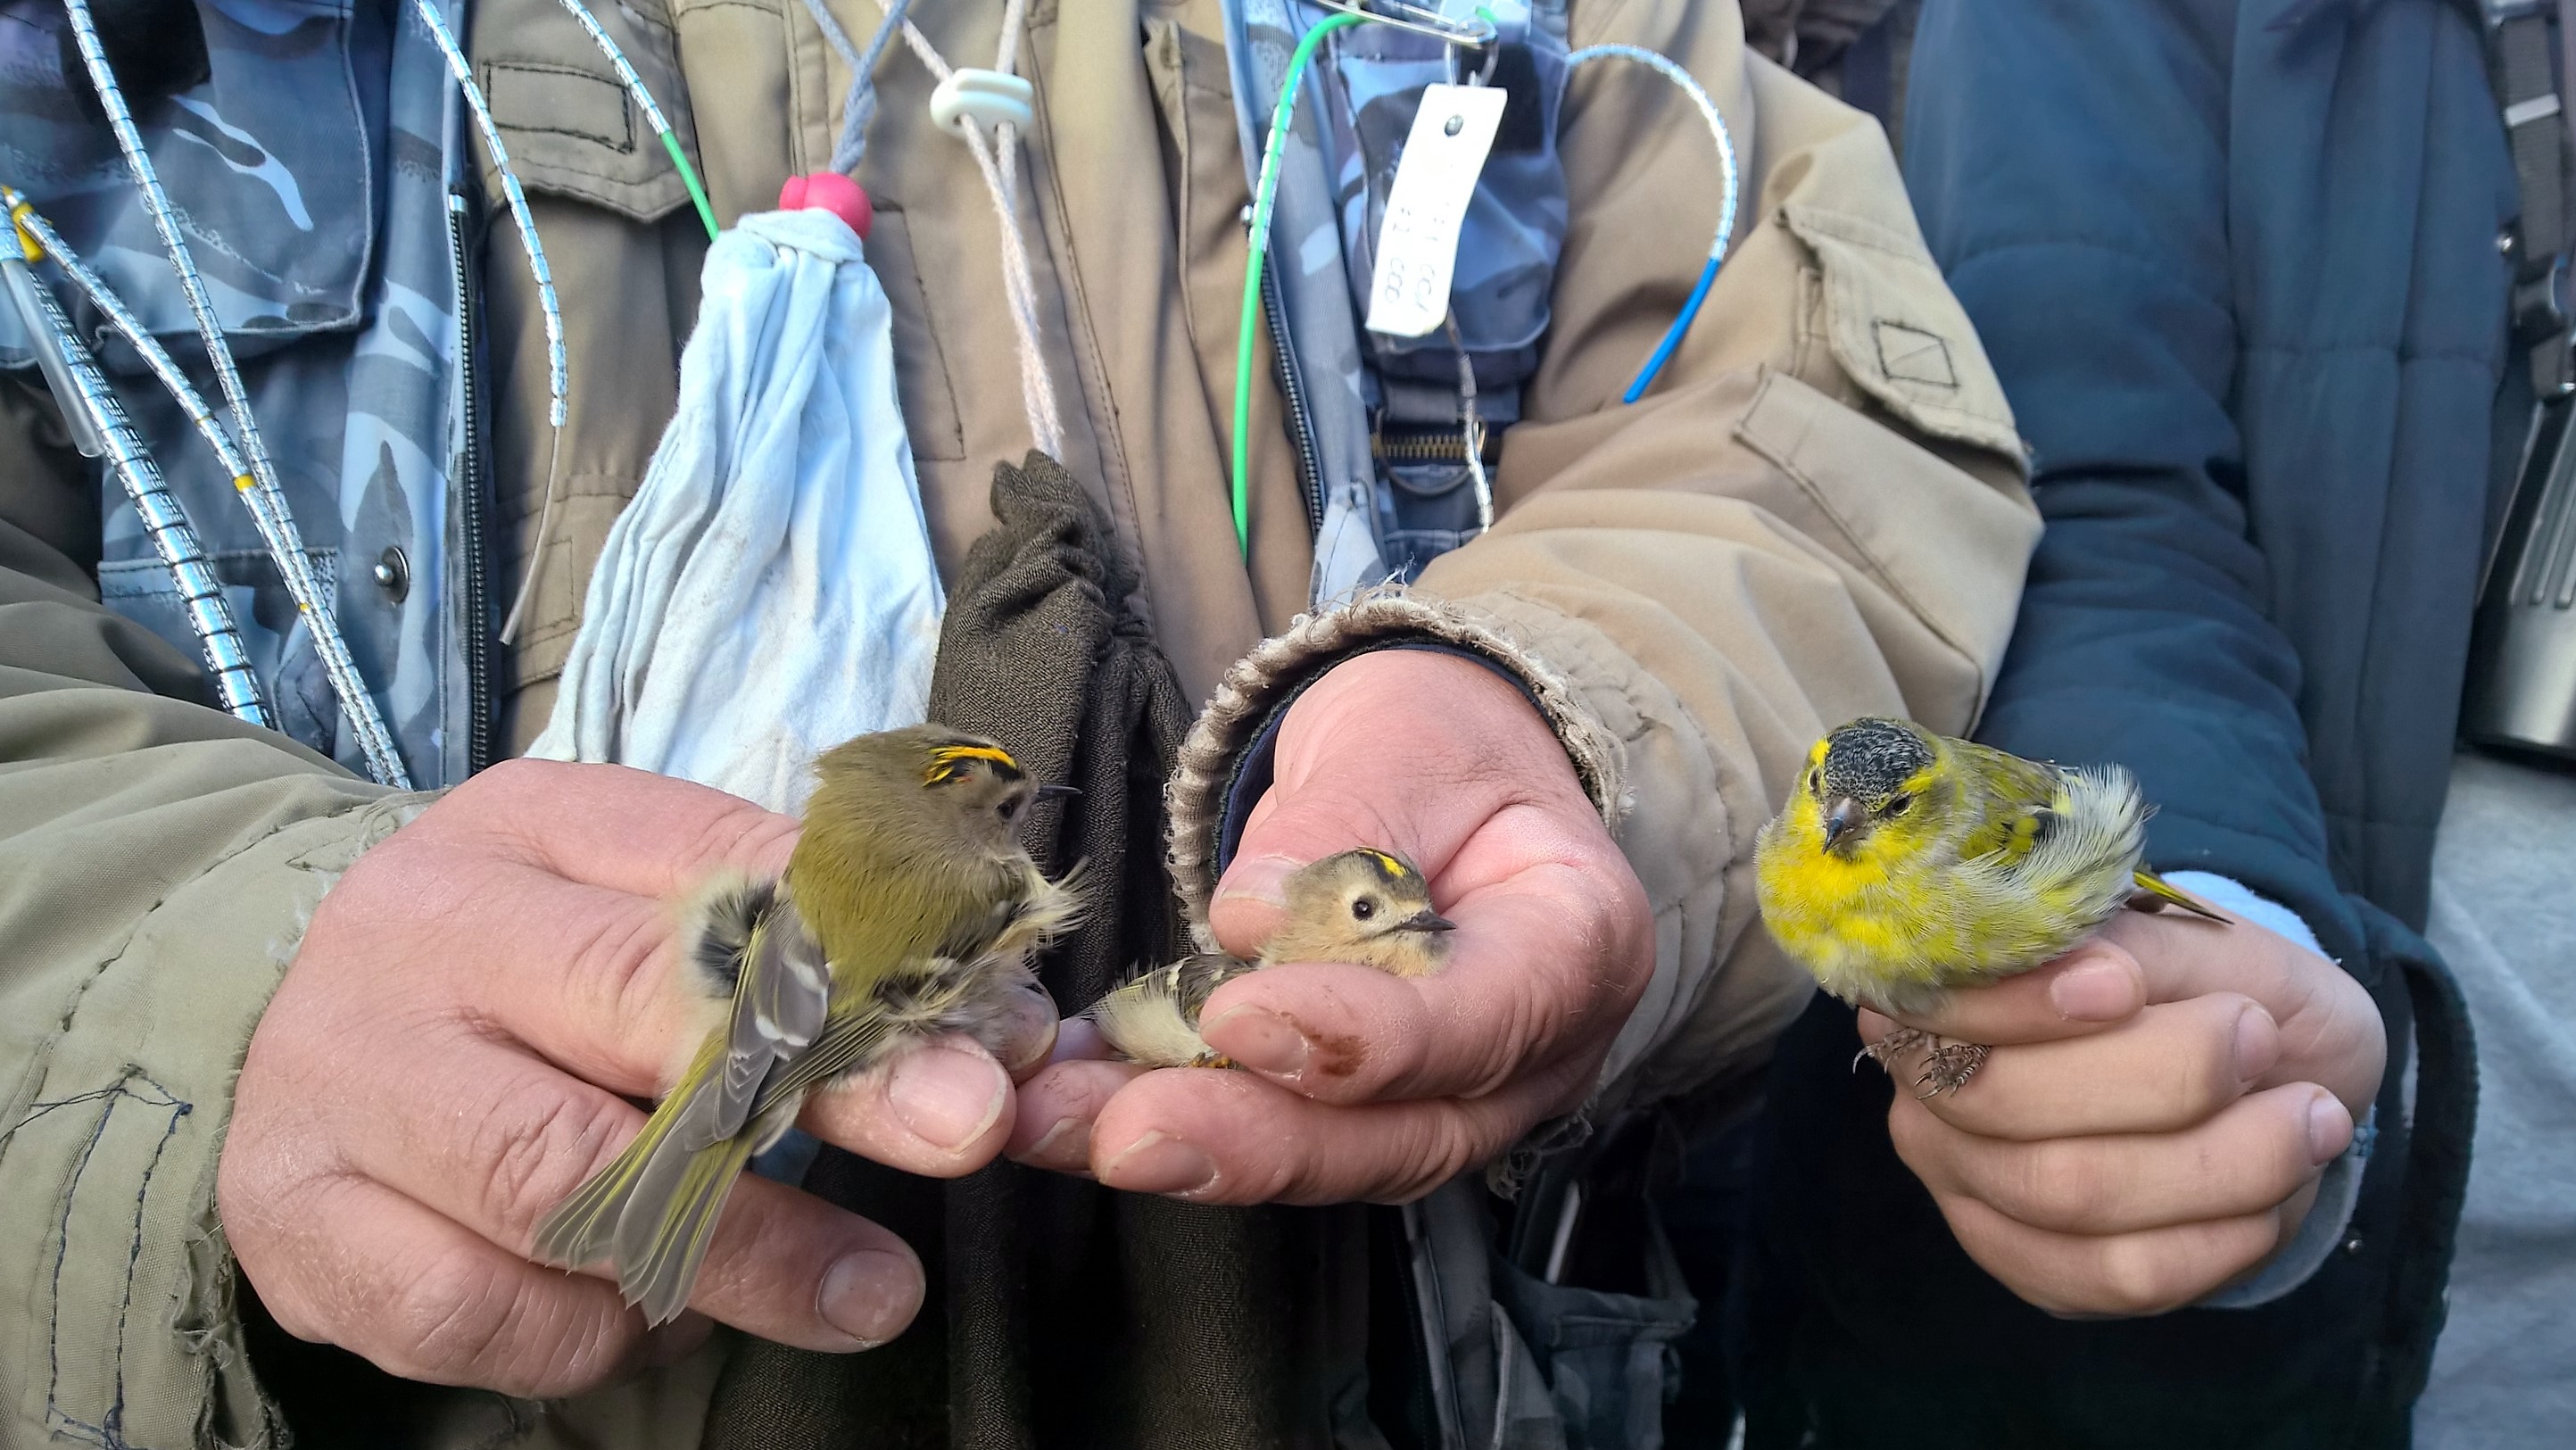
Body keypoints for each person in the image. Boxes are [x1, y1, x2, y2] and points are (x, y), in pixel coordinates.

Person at [0, 0, 2052, 1443]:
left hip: (1405, 1347)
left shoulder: (1588, 40)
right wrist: (213, 957)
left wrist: (1561, 709)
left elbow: (1793, 416)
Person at [1727, 0, 2503, 1445]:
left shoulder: (1970, 843)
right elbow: (2090, 500)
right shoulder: (1807, 850)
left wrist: (2174, 911)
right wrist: (2228, 920)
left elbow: (2091, 843)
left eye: (1879, 814)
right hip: (2258, 1298)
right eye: (1829, 799)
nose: (1837, 829)